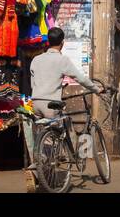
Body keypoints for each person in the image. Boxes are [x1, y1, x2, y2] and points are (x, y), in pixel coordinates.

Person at [24, 26, 101, 169]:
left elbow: (33, 84)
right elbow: (80, 78)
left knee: (42, 132)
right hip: (50, 104)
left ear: (48, 42)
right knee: (65, 125)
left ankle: (41, 161)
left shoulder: (36, 59)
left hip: (36, 103)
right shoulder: (62, 60)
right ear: (62, 43)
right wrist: (96, 89)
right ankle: (68, 156)